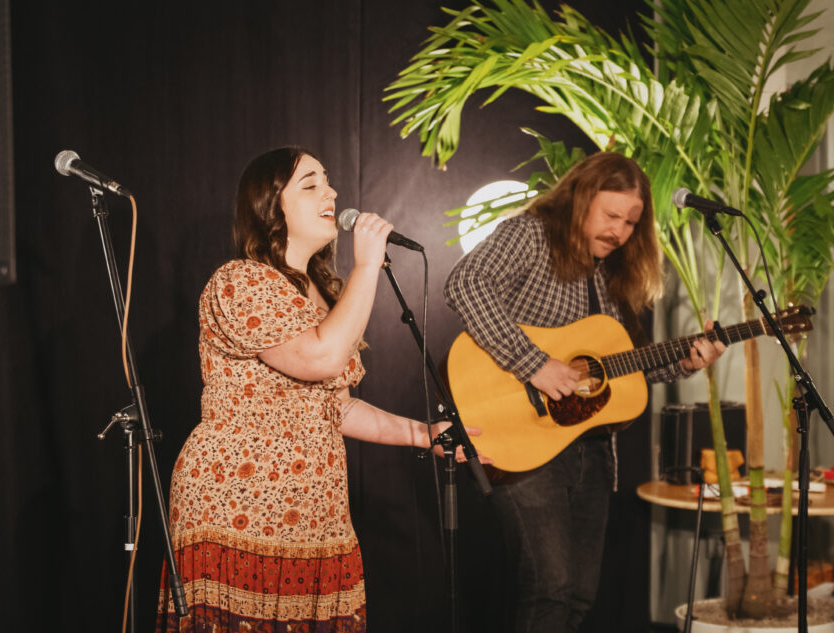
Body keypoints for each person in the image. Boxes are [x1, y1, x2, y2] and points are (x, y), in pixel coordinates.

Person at [156, 146, 476, 632]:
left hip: (314, 509)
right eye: (311, 184)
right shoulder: (239, 281)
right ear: (271, 208)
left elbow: (337, 409)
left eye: (328, 181)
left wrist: (423, 433)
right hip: (238, 504)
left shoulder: (324, 293)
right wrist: (368, 265)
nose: (331, 192)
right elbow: (320, 358)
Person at [444, 151, 727, 632]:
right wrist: (534, 364)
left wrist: (683, 362)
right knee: (550, 590)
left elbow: (615, 376)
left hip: (591, 452)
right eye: (611, 215)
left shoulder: (611, 273)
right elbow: (465, 283)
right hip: (524, 440)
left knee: (578, 597)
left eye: (631, 222)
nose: (619, 231)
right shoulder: (530, 233)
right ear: (580, 200)